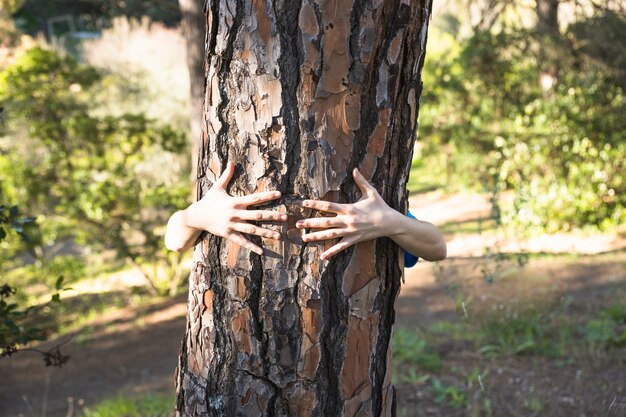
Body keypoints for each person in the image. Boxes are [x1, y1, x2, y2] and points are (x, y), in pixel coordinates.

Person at [165, 161, 446, 264]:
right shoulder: (213, 209)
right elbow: (174, 240)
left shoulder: (371, 214)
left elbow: (436, 247)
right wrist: (196, 216)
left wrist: (390, 222)